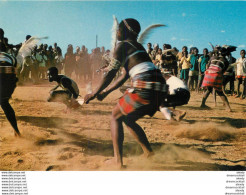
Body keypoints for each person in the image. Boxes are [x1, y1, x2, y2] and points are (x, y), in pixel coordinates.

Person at [84, 18, 167, 168]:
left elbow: (110, 73)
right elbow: (124, 76)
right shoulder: (139, 47)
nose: (116, 33)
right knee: (127, 118)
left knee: (115, 117)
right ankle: (148, 152)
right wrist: (106, 92)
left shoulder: (121, 46)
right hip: (159, 89)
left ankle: (118, 161)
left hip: (145, 86)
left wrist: (94, 93)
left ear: (125, 31)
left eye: (118, 30)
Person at [200, 47, 232, 111]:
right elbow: (222, 71)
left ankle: (202, 104)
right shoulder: (225, 61)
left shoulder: (212, 58)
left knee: (209, 89)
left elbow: (208, 66)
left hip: (208, 74)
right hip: (216, 74)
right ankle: (228, 107)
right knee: (219, 91)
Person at [0, 42, 21, 136]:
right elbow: (16, 70)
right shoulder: (11, 56)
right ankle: (16, 130)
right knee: (4, 103)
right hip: (9, 82)